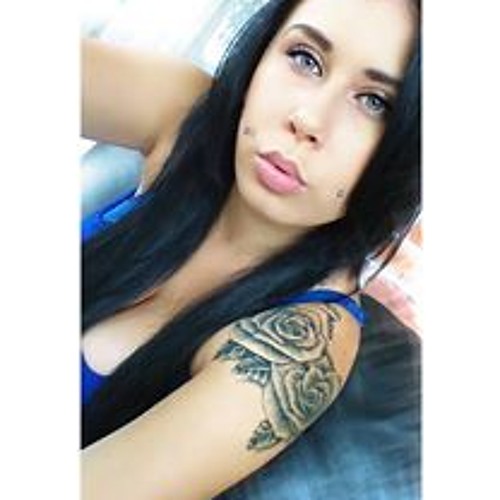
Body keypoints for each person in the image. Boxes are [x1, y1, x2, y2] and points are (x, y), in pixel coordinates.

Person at [81, 0, 421, 498]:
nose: (307, 118)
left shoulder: (304, 341)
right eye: (304, 58)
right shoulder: (189, 119)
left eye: (374, 103)